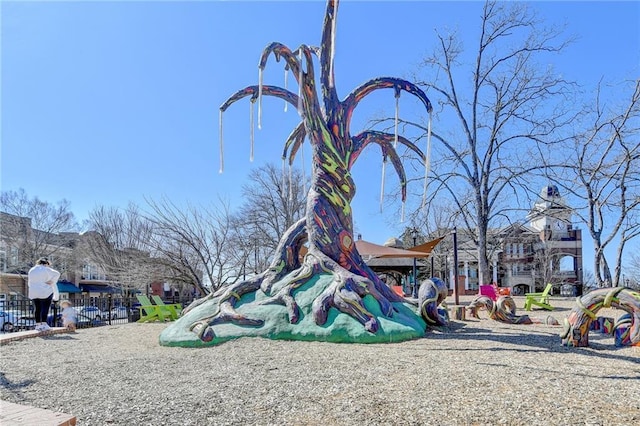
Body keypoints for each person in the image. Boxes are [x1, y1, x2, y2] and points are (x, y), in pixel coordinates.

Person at [28, 257, 60, 332]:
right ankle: (44, 324)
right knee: (45, 307)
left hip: (34, 291)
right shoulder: (46, 269)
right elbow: (57, 273)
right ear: (46, 263)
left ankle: (38, 325)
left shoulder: (32, 270)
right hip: (45, 291)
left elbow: (29, 282)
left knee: (37, 308)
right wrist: (52, 281)